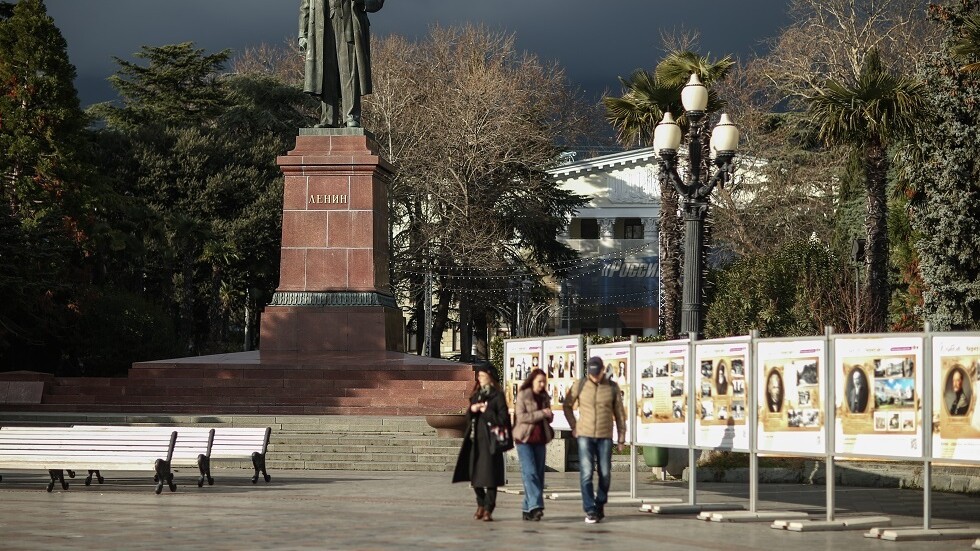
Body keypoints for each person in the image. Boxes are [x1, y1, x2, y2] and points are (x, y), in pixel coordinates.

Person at [299, 0, 384, 128]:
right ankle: (328, 119)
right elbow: (306, 4)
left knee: (350, 70)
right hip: (321, 24)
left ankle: (351, 116)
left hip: (349, 21)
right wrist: (302, 34)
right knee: (326, 72)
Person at [563, 356, 626, 524]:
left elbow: (619, 414)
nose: (594, 376)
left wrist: (621, 437)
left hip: (605, 435)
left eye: (597, 373)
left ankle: (600, 503)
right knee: (586, 472)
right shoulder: (581, 384)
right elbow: (567, 405)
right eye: (592, 374)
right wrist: (574, 426)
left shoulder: (611, 387)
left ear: (602, 370)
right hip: (585, 434)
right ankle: (590, 508)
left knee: (605, 473)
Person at [452, 363, 510, 522]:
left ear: (490, 377)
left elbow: (504, 419)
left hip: (491, 442)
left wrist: (487, 411)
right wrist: (473, 410)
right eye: (479, 376)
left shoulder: (497, 396)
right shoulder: (477, 395)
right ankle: (481, 503)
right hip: (475, 440)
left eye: (483, 376)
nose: (480, 378)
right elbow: (468, 417)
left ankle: (488, 509)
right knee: (474, 476)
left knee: (491, 477)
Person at [513, 368, 554, 521]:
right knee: (529, 473)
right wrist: (542, 413)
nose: (542, 384)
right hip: (524, 439)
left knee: (538, 476)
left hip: (540, 439)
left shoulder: (544, 396)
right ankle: (536, 506)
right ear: (532, 381)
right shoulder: (524, 394)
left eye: (544, 382)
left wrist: (549, 415)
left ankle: (526, 508)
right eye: (539, 381)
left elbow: (547, 416)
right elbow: (521, 416)